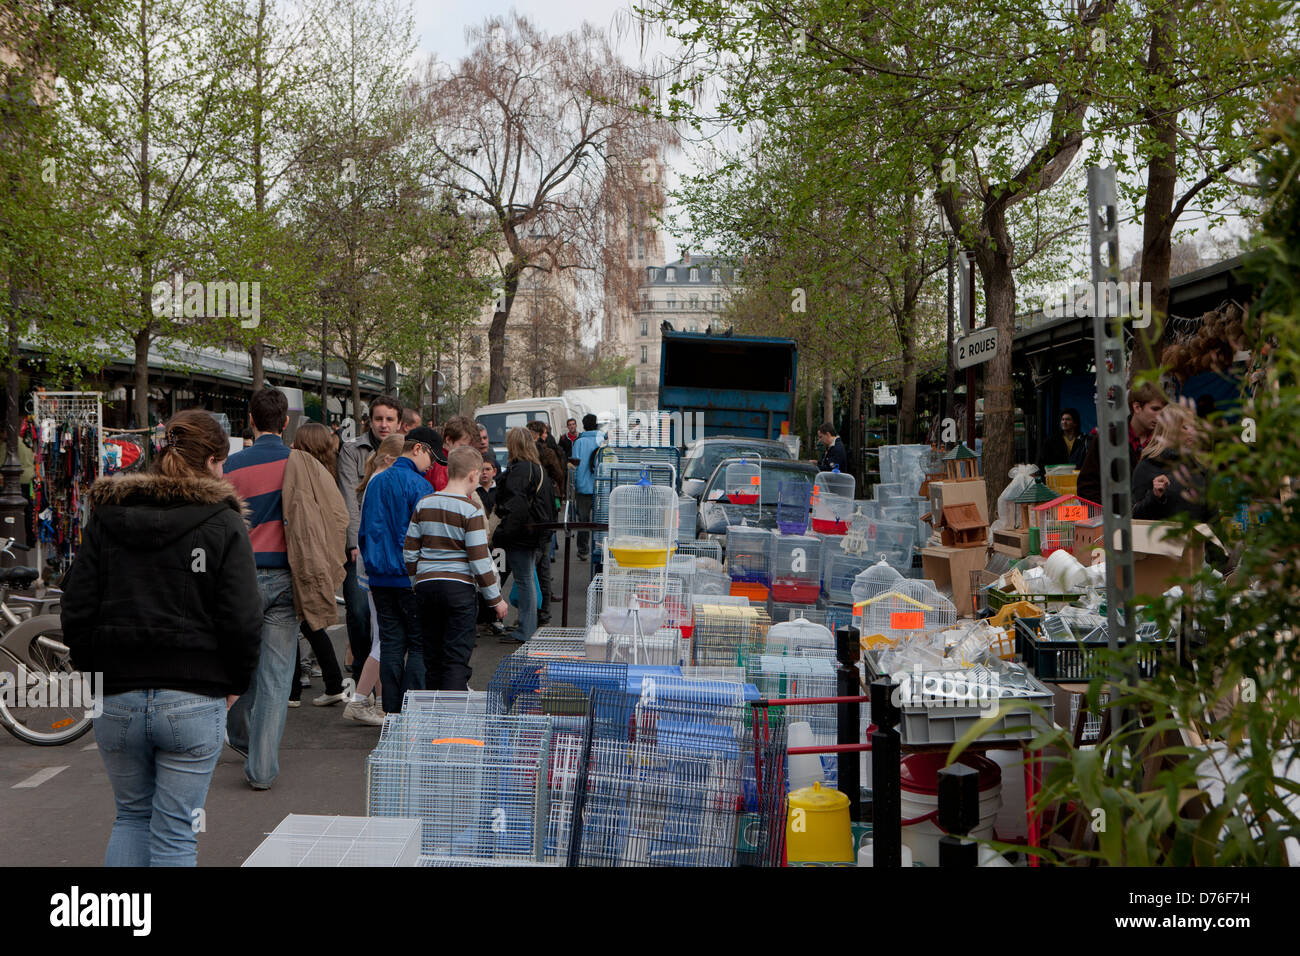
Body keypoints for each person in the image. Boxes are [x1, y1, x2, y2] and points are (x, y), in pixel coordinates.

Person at [61, 410, 261, 866]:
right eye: (222, 462)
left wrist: (93, 671)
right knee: (175, 834)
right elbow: (243, 618)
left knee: (131, 817)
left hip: (116, 693)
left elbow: (75, 605)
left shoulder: (110, 517)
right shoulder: (224, 523)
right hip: (194, 692)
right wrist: (234, 682)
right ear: (212, 461)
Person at [222, 388, 299, 790]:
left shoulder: (230, 468)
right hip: (286, 577)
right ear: (286, 422)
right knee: (275, 675)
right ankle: (262, 767)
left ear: (249, 420)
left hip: (241, 579)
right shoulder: (299, 466)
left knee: (238, 663)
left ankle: (239, 735)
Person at [406, 445, 509, 690]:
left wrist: (417, 581)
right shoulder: (470, 509)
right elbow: (479, 558)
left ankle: (432, 716)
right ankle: (451, 719)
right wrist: (495, 599)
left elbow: (410, 551)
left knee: (432, 659)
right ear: (473, 475)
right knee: (455, 659)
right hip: (458, 590)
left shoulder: (424, 504)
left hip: (426, 588)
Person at [359, 425, 441, 713]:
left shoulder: (377, 481)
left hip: (379, 576)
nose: (432, 465)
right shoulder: (421, 487)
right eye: (432, 458)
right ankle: (412, 712)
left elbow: (364, 531)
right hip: (410, 577)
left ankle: (391, 712)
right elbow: (427, 537)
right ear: (418, 448)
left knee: (391, 643)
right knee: (418, 645)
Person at [284, 423, 351, 709]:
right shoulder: (327, 473)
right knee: (306, 620)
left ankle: (294, 690)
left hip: (302, 555)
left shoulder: (300, 472)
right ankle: (329, 683)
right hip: (320, 556)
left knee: (295, 619)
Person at [336, 395, 401, 686]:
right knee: (359, 610)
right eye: (378, 419)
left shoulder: (408, 451)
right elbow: (349, 498)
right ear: (369, 421)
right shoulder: (352, 450)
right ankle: (363, 668)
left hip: (395, 547)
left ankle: (384, 675)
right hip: (361, 543)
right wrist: (354, 541)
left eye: (389, 419)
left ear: (399, 422)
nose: (383, 424)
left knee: (392, 618)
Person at [343, 434, 405, 725]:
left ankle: (381, 702)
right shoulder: (382, 482)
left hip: (371, 569)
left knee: (382, 636)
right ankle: (358, 700)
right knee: (385, 640)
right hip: (378, 570)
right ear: (391, 459)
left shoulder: (374, 481)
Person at [494, 427, 556, 642]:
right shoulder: (537, 469)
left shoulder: (519, 470)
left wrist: (501, 533)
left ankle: (525, 629)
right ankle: (527, 626)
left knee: (524, 580)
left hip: (521, 532)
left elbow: (516, 506)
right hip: (535, 532)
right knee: (528, 578)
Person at [1077, 381, 1165, 505]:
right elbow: (1087, 487)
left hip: (1150, 521)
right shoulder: (1107, 439)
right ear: (1137, 407)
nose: (1160, 415)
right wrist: (1109, 515)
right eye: (1155, 409)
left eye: (1163, 410)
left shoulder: (1163, 443)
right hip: (1114, 521)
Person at [1131, 404, 1211, 522]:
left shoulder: (1199, 467)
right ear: (1170, 429)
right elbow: (1135, 517)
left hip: (1196, 540)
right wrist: (1154, 497)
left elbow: (1212, 517)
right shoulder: (1148, 466)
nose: (1193, 432)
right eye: (1186, 427)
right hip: (1159, 539)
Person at [569, 414, 604, 560]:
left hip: (583, 487)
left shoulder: (579, 442)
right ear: (596, 424)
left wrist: (574, 485)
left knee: (583, 520)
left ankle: (583, 550)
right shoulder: (602, 439)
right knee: (600, 519)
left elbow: (574, 467)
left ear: (583, 425)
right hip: (601, 486)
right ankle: (600, 548)